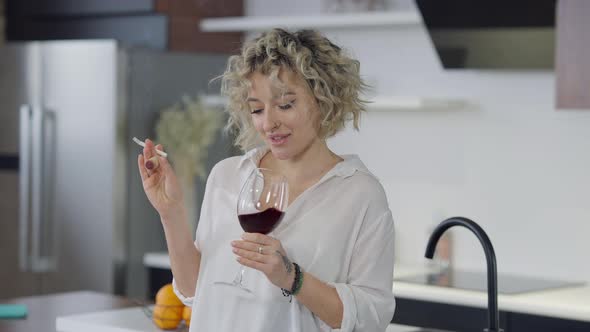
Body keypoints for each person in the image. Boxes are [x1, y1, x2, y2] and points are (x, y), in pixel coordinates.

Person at [138, 28, 396, 331]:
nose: (268, 123)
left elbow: (371, 319)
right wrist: (171, 214)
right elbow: (196, 289)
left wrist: (292, 278)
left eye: (285, 105)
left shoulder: (360, 194)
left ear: (325, 100)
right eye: (257, 109)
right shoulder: (227, 176)